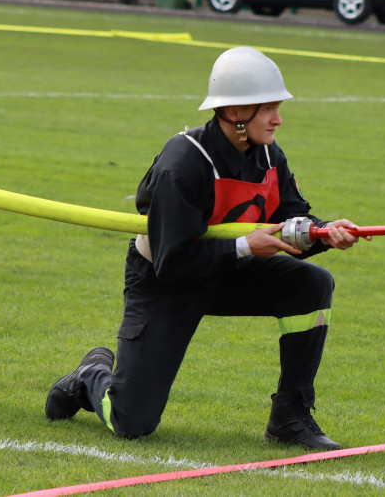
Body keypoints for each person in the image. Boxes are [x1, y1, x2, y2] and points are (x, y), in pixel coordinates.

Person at [45, 47, 367, 449]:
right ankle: (91, 374)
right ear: (235, 112)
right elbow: (173, 263)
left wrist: (325, 232)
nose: (278, 119)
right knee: (132, 422)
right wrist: (246, 247)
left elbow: (291, 220)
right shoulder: (181, 164)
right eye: (268, 108)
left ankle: (290, 416)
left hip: (230, 271)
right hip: (166, 280)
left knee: (313, 283)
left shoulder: (269, 156)